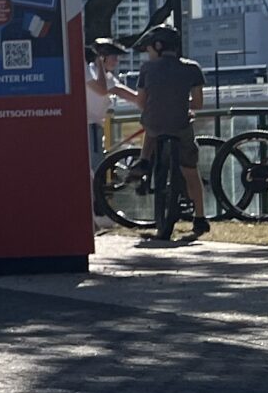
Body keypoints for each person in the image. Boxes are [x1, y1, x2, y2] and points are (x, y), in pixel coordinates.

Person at [136, 23, 210, 240]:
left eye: (149, 48)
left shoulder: (147, 69)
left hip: (155, 125)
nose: (148, 53)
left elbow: (141, 102)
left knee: (150, 124)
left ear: (158, 46)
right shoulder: (192, 68)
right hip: (180, 126)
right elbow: (198, 103)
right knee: (190, 170)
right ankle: (200, 217)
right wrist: (182, 104)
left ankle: (144, 160)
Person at [87, 37, 139, 226]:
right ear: (102, 57)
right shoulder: (92, 72)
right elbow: (112, 91)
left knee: (96, 170)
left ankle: (98, 213)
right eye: (113, 57)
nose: (117, 61)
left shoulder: (106, 77)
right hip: (89, 126)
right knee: (97, 171)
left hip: (94, 126)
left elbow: (128, 95)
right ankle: (100, 213)